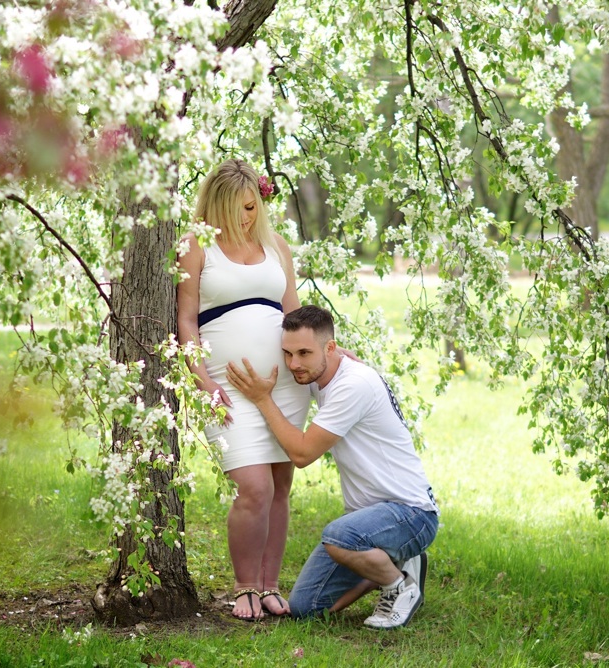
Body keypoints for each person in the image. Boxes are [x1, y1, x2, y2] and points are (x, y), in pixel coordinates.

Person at [225, 305, 439, 629]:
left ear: (330, 347)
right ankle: (394, 563)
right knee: (305, 607)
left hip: (410, 512)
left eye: (304, 353)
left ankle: (399, 586)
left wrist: (263, 399)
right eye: (287, 353)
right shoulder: (323, 372)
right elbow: (304, 373)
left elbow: (301, 454)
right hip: (366, 523)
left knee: (337, 536)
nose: (293, 363)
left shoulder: (354, 385)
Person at [177, 159, 310, 621]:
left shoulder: (277, 247)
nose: (246, 218)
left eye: (252, 207)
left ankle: (270, 586)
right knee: (252, 487)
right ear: (214, 207)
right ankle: (243, 588)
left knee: (279, 486)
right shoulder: (196, 248)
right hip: (229, 390)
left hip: (284, 387)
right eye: (236, 209)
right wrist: (204, 382)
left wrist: (327, 356)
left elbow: (295, 318)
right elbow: (185, 321)